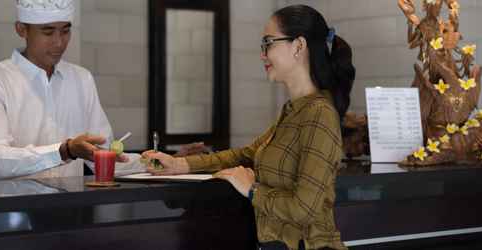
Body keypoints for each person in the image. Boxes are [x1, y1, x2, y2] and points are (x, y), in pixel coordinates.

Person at [143, 5, 355, 250]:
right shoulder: (293, 110)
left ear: (298, 46)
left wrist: (253, 190)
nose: (263, 55)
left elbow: (305, 208)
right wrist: (179, 164)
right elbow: (246, 154)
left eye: (268, 43)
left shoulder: (319, 114)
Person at [0, 0, 125, 180]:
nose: (59, 42)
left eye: (65, 31)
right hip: (15, 205)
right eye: (48, 32)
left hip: (72, 204)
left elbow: (102, 154)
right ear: (22, 29)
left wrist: (153, 163)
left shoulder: (81, 79)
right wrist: (64, 151)